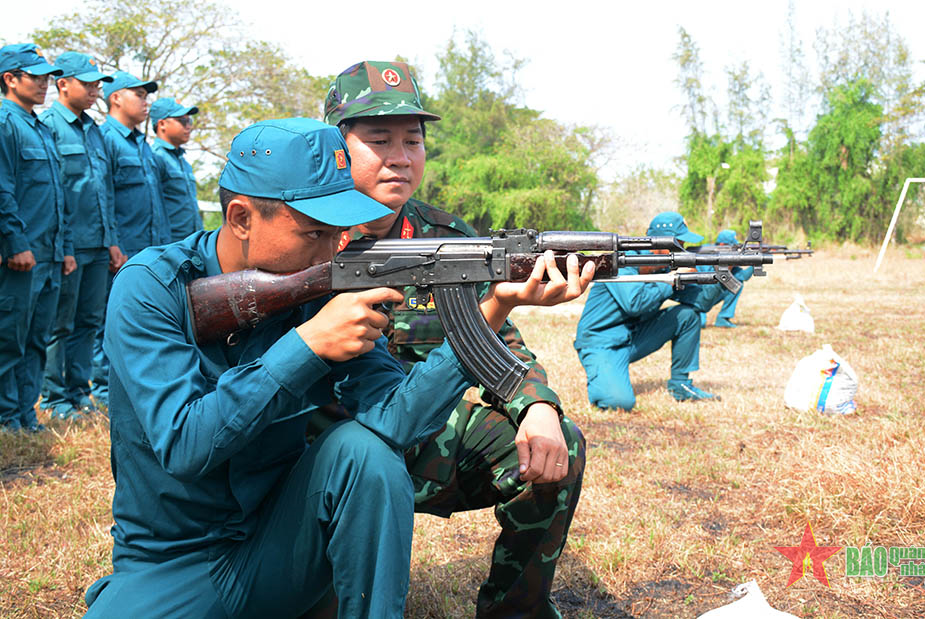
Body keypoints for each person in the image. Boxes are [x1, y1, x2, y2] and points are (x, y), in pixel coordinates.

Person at [82, 117, 592, 618]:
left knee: (364, 450)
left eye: (338, 233)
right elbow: (185, 444)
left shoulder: (319, 294)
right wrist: (308, 346)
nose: (331, 254)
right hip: (172, 563)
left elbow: (399, 424)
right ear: (240, 218)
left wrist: (493, 309)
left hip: (285, 550)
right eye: (314, 234)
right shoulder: (151, 287)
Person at [321, 60, 585, 618]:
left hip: (424, 439)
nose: (400, 156)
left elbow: (495, 335)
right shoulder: (302, 236)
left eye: (412, 140)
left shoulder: (446, 238)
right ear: (336, 147)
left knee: (557, 439)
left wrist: (536, 403)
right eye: (379, 139)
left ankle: (516, 612)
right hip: (325, 452)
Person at [38, 52, 124, 421]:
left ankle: (78, 393)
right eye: (87, 84)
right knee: (61, 323)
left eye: (97, 84)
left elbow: (105, 191)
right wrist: (65, 246)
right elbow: (53, 195)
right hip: (67, 246)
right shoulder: (49, 126)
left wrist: (112, 241)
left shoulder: (94, 130)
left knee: (89, 321)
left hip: (98, 245)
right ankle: (55, 399)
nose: (95, 90)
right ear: (62, 84)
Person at [574, 211, 723, 411]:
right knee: (619, 403)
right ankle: (603, 376)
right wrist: (672, 279)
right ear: (661, 246)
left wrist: (723, 271)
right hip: (601, 343)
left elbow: (700, 303)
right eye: (680, 244)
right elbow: (635, 304)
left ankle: (681, 385)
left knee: (687, 316)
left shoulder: (662, 268)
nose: (684, 250)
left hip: (634, 337)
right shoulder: (620, 263)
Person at [0, 43, 72, 432]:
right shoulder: (4, 123)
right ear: (10, 79)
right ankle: (5, 416)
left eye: (48, 76)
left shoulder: (40, 127)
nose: (45, 83)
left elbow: (57, 196)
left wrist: (65, 250)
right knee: (8, 337)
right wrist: (16, 243)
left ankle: (25, 414)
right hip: (21, 255)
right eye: (36, 76)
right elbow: (2, 189)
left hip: (48, 254)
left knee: (36, 338)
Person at [92, 70, 167, 407]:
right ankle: (102, 390)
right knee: (106, 319)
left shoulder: (143, 144)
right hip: (122, 249)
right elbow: (103, 195)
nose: (146, 101)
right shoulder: (104, 138)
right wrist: (112, 243)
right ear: (116, 97)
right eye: (139, 94)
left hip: (148, 249)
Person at [150, 97, 203, 242]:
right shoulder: (155, 157)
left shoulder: (183, 161)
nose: (188, 126)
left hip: (192, 241)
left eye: (189, 121)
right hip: (170, 243)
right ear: (162, 124)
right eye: (182, 121)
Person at [697, 229, 753, 329]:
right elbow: (707, 281)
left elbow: (744, 276)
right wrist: (727, 266)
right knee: (700, 324)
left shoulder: (729, 256)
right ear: (722, 245)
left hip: (712, 294)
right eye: (732, 246)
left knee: (736, 283)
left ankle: (723, 318)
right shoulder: (705, 252)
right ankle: (698, 313)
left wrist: (757, 261)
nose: (734, 249)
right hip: (698, 295)